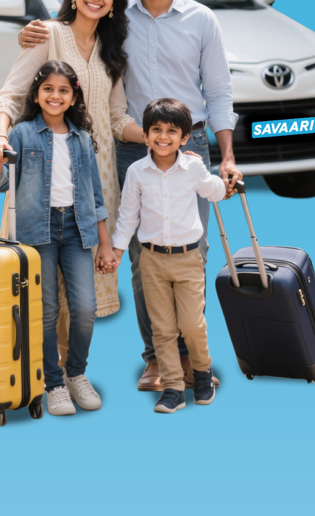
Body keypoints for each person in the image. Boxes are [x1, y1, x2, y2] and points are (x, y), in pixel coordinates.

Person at [17, 0, 242, 391]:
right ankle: (157, 357)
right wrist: (34, 32)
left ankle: (190, 357)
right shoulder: (117, 18)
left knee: (192, 252)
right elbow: (72, 36)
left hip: (191, 146)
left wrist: (227, 156)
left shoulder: (201, 19)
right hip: (132, 149)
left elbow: (220, 92)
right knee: (143, 255)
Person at [0, 0, 144, 342]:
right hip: (43, 175)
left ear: (113, 2)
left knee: (80, 288)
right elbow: (10, 94)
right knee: (40, 283)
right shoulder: (48, 34)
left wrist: (155, 137)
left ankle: (70, 368)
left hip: (96, 179)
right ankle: (40, 369)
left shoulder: (111, 50)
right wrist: (0, 136)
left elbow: (116, 117)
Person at [0, 60, 116, 415]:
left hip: (77, 231)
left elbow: (95, 197)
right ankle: (54, 382)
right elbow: (1, 185)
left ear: (74, 97)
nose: (55, 96)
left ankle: (76, 373)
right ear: (36, 94)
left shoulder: (82, 139)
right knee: (45, 311)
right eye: (48, 89)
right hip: (36, 233)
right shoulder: (21, 134)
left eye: (63, 90)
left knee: (85, 309)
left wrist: (105, 244)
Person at [111, 98, 229, 413]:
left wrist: (216, 177)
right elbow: (128, 217)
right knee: (162, 328)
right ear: (146, 135)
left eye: (172, 131)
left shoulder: (192, 167)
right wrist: (117, 251)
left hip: (188, 259)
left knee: (191, 324)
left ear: (184, 137)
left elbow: (214, 191)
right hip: (151, 260)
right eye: (156, 130)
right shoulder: (137, 172)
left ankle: (201, 373)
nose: (163, 137)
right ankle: (173, 388)